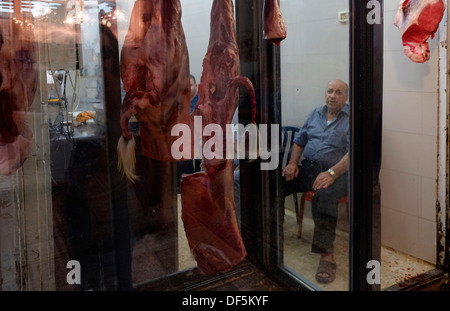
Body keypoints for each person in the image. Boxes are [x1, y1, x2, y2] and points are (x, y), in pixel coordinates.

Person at [282, 79, 349, 284]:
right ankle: (271, 232)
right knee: (275, 181)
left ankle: (326, 256)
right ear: (325, 93)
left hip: (338, 173)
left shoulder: (351, 119)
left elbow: (354, 151)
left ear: (345, 98)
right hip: (310, 167)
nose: (332, 95)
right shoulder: (314, 114)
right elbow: (299, 141)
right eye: (330, 91)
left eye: (338, 92)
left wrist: (332, 173)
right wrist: (293, 163)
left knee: (324, 196)